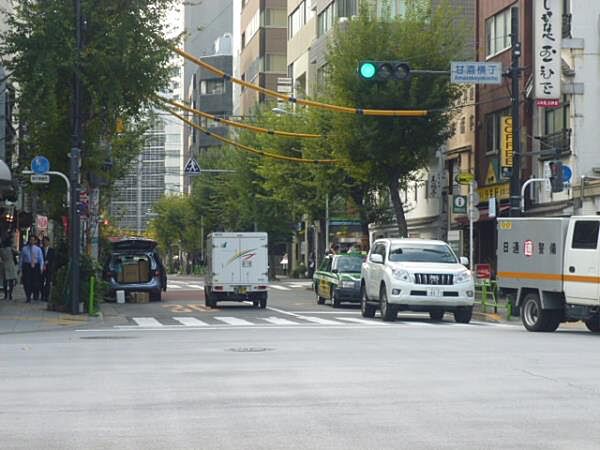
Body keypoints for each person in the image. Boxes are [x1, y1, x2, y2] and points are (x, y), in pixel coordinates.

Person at [20, 235, 44, 302]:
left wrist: (41, 268)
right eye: (31, 240)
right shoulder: (24, 249)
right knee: (27, 282)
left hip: (35, 266)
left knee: (35, 282)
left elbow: (41, 259)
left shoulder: (38, 249)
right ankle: (28, 296)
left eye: (33, 240)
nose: (32, 241)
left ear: (35, 241)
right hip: (27, 266)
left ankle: (35, 294)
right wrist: (20, 268)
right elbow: (21, 259)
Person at [41, 236, 56, 302]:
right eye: (44, 241)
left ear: (48, 242)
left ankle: (46, 296)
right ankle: (42, 295)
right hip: (42, 268)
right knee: (41, 282)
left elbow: (53, 259)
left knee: (48, 282)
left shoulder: (52, 250)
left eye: (46, 241)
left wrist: (48, 262)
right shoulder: (40, 249)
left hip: (49, 268)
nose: (45, 242)